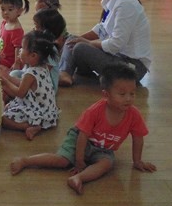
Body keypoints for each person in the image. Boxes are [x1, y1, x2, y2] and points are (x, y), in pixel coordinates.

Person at [10, 63, 156, 194]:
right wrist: (79, 160)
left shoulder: (134, 114)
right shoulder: (95, 111)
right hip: (79, 139)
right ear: (106, 94)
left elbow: (138, 138)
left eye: (132, 93)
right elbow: (83, 135)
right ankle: (25, 161)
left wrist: (137, 161)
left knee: (106, 164)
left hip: (103, 149)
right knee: (62, 161)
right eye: (122, 94)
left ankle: (78, 178)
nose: (129, 98)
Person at [58, 0, 151, 87]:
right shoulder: (115, 0)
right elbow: (101, 28)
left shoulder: (126, 5)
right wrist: (78, 38)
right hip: (117, 57)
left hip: (132, 67)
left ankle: (66, 72)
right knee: (72, 39)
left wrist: (87, 43)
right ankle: (65, 72)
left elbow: (115, 44)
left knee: (80, 48)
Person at [0, 31, 60, 140]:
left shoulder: (30, 74)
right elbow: (24, 85)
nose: (20, 51)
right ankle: (39, 124)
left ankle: (27, 126)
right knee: (8, 107)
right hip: (47, 110)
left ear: (33, 55)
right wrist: (9, 78)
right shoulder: (43, 67)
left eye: (22, 49)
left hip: (35, 109)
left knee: (3, 120)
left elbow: (20, 93)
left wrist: (6, 82)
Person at [0, 0, 30, 70]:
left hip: (10, 62)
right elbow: (0, 38)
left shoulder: (16, 29)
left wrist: (16, 64)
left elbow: (17, 49)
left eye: (10, 9)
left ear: (19, 11)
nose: (6, 12)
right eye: (2, 9)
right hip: (2, 58)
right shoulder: (4, 23)